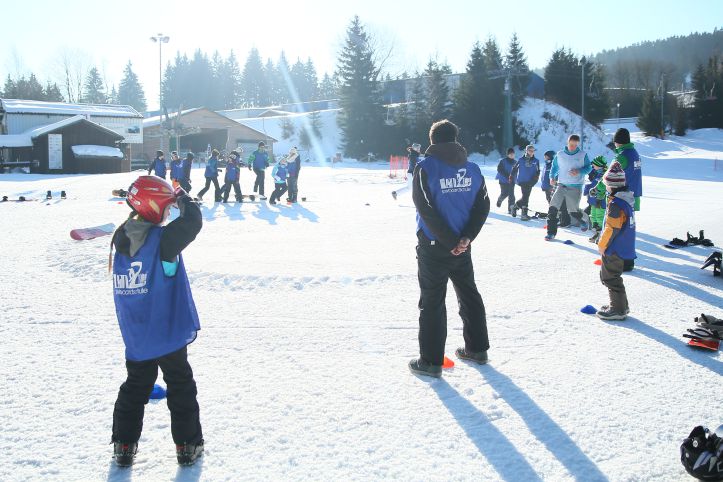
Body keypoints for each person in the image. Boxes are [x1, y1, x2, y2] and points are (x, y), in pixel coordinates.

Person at [109, 175, 204, 467]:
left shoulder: (122, 237)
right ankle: (188, 446)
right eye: (165, 210)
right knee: (180, 384)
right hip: (165, 332)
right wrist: (183, 196)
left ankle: (123, 446)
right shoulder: (164, 242)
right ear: (152, 208)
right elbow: (192, 223)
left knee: (135, 386)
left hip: (137, 334)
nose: (168, 216)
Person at [408, 119, 491, 378]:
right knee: (469, 294)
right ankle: (477, 349)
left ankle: (431, 362)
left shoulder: (425, 168)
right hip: (462, 247)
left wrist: (453, 240)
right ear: (455, 139)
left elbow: (425, 209)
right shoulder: (474, 169)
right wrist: (466, 238)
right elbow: (483, 206)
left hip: (435, 246)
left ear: (432, 140)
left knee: (432, 302)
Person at [596, 162, 636, 320]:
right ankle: (621, 306)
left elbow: (612, 228)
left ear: (611, 186)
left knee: (610, 277)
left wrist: (602, 245)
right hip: (622, 246)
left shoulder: (615, 205)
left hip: (614, 248)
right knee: (614, 276)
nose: (605, 187)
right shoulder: (624, 200)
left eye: (606, 184)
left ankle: (617, 309)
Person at [545, 134, 592, 241]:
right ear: (568, 143)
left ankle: (584, 219)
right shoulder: (560, 154)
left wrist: (579, 171)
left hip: (575, 186)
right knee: (553, 207)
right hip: (561, 185)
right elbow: (554, 167)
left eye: (575, 145)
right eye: (571, 145)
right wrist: (552, 177)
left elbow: (589, 167)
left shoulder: (582, 154)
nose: (573, 147)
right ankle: (551, 233)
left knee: (573, 211)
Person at [611, 128, 642, 272]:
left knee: (619, 228)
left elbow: (609, 176)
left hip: (622, 196)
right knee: (629, 228)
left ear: (617, 142)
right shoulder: (634, 153)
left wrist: (599, 189)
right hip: (634, 195)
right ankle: (628, 260)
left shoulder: (622, 156)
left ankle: (621, 260)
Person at [511, 145, 540, 221]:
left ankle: (515, 206)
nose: (531, 152)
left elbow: (538, 172)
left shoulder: (536, 161)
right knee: (526, 196)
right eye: (530, 150)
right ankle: (524, 214)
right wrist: (511, 177)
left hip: (531, 181)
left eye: (532, 151)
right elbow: (514, 168)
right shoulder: (521, 160)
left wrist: (534, 181)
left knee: (525, 196)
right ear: (526, 151)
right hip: (522, 181)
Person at [585, 156, 607, 243]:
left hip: (601, 200)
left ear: (599, 165)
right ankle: (597, 233)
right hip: (594, 199)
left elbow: (603, 186)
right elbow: (593, 183)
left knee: (600, 217)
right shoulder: (597, 172)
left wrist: (596, 190)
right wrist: (588, 189)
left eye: (594, 165)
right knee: (593, 216)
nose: (593, 167)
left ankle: (602, 235)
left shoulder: (606, 173)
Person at [495, 147, 517, 215]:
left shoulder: (516, 162)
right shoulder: (503, 161)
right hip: (503, 180)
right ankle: (500, 200)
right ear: (507, 155)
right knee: (504, 193)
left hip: (512, 181)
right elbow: (499, 169)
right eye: (510, 154)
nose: (512, 155)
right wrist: (507, 176)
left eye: (513, 154)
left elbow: (517, 171)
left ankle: (511, 209)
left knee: (511, 195)